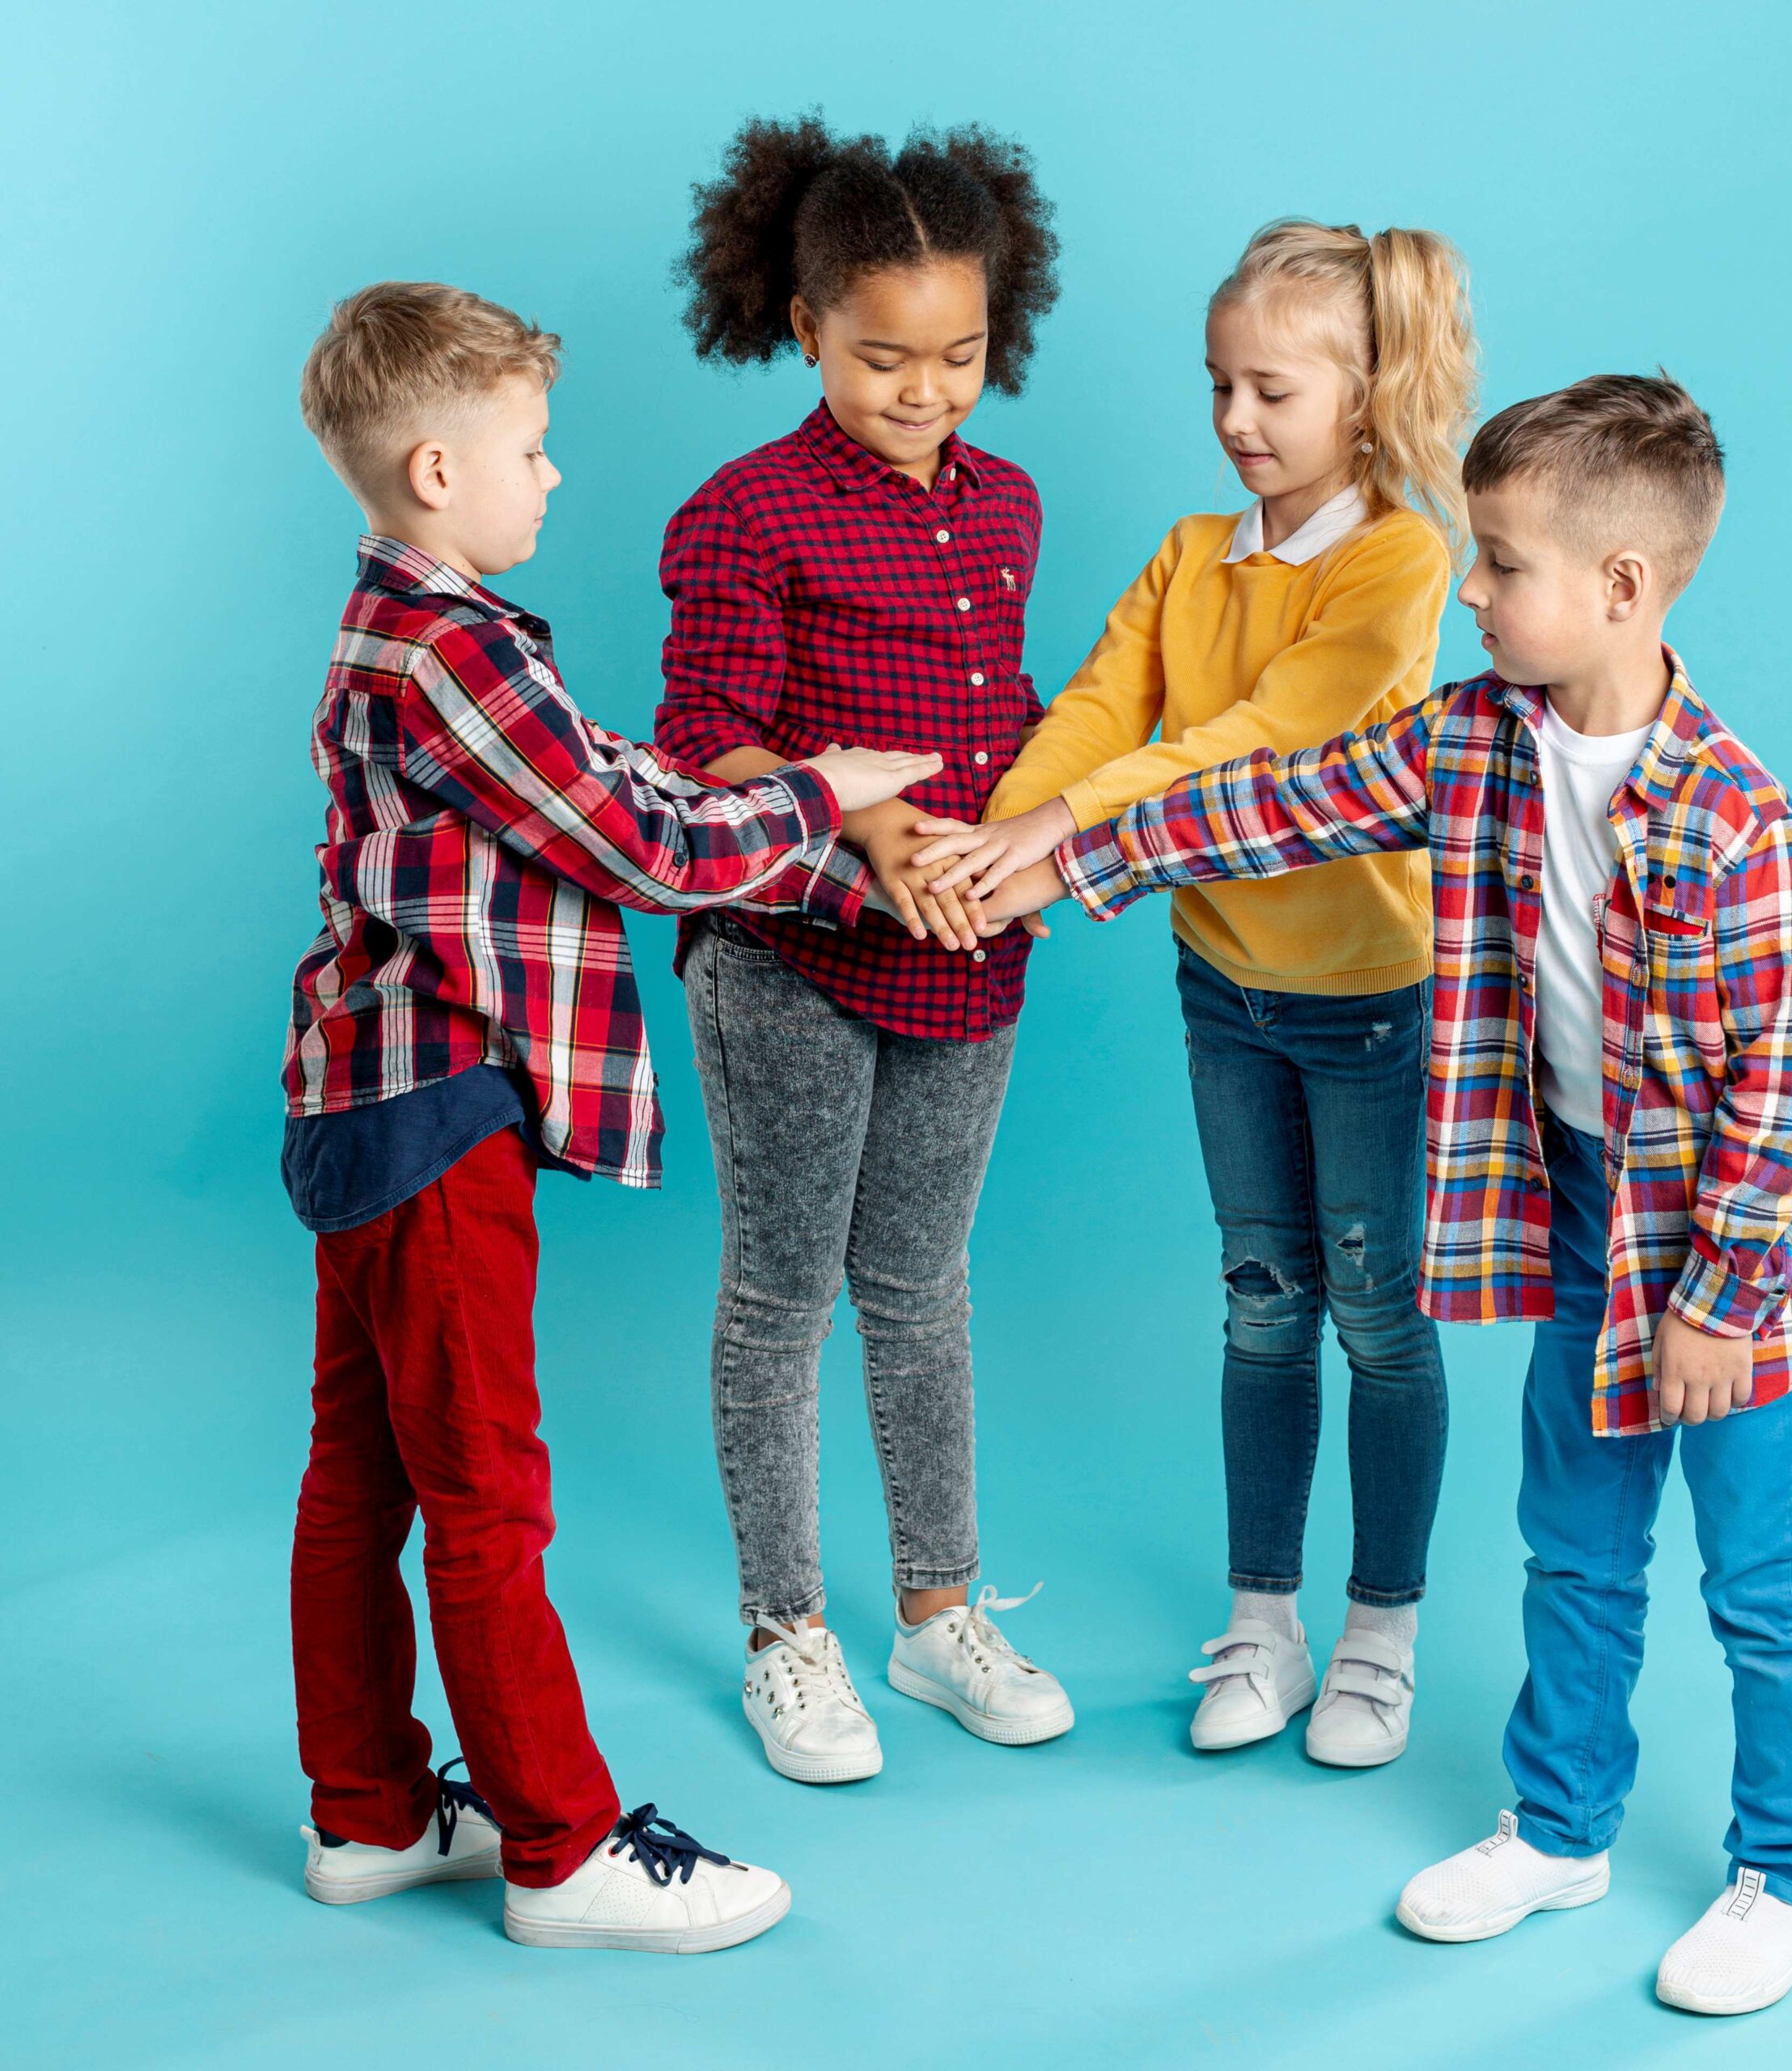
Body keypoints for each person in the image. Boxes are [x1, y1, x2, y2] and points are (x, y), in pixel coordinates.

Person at [981, 374, 1792, 2018]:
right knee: (1573, 1546)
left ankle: (1788, 1879)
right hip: (1589, 1211)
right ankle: (1561, 1826)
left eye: (1501, 563)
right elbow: (1277, 799)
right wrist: (1069, 856)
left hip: (1747, 1263)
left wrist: (1716, 1304)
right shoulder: (1473, 741)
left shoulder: (1739, 820)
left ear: (1621, 585)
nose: (1469, 590)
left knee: (1759, 1580)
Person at [283, 280, 936, 1950]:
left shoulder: (411, 629)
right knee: (486, 1492)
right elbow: (642, 846)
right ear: (439, 470)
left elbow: (609, 779)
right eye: (531, 448)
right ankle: (561, 1849)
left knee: (365, 1471)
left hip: (362, 1099)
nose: (555, 473)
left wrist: (802, 831)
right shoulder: (451, 649)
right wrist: (821, 793)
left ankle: (367, 1812)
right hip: (434, 1119)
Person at [926, 219, 1476, 1767]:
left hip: (1369, 999)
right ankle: (1265, 1626)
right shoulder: (1189, 552)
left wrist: (1060, 838)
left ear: (1366, 397)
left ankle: (1381, 1634)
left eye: (1272, 392)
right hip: (1225, 987)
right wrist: (998, 840)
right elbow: (1103, 708)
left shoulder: (1398, 559)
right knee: (1261, 1303)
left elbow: (1259, 743)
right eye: (1219, 385)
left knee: (1378, 1313)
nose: (1236, 419)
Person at [655, 115, 1072, 1786]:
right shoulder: (743, 513)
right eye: (884, 357)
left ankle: (936, 1611)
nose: (924, 391)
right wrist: (868, 828)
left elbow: (1004, 712)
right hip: (792, 960)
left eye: (959, 356)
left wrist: (1036, 843)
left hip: (966, 958)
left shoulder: (1008, 505)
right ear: (803, 326)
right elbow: (702, 743)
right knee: (782, 1297)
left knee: (920, 1286)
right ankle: (786, 1631)